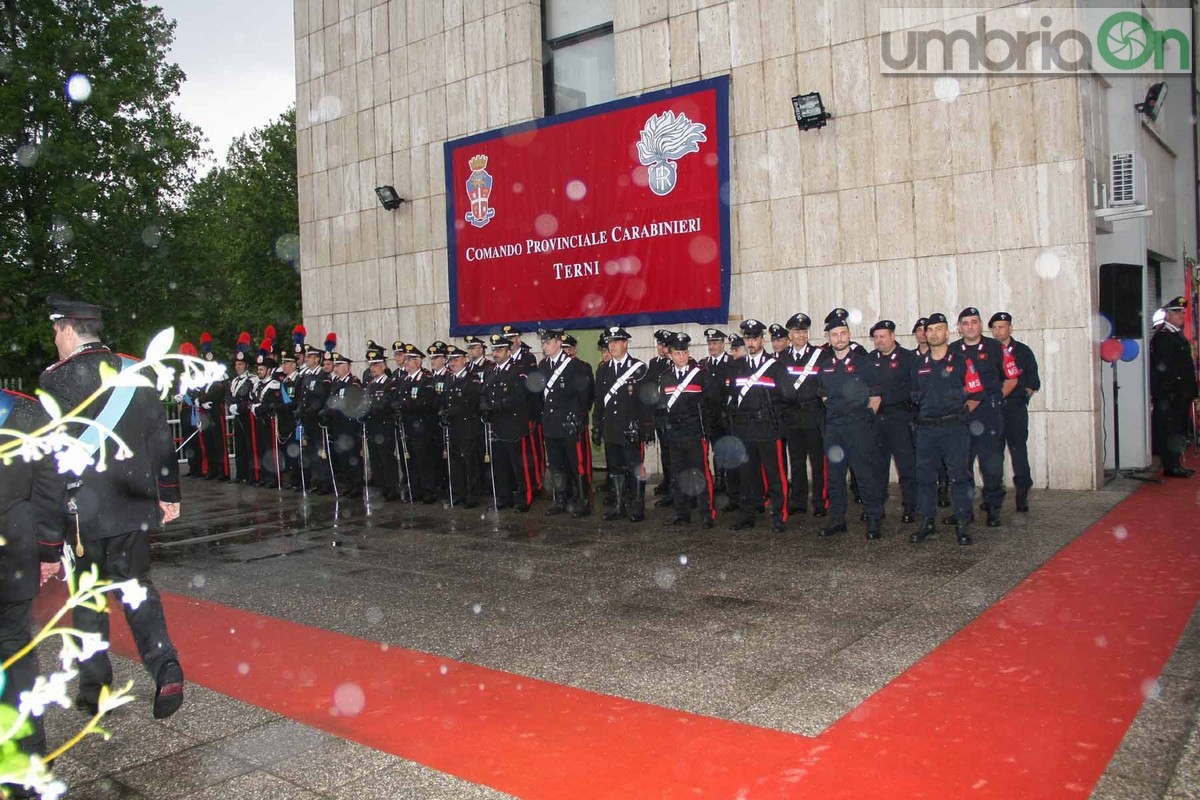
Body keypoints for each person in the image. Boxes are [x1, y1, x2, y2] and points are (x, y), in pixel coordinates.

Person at [40, 295, 185, 719]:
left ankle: (96, 690)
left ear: (68, 330)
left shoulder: (54, 382)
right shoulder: (134, 371)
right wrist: (168, 493)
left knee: (88, 601)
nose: (54, 340)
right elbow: (161, 436)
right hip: (133, 508)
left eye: (55, 332)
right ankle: (167, 669)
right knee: (138, 590)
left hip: (81, 514)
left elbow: (49, 458)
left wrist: (46, 528)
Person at [0, 388, 66, 778]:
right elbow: (48, 483)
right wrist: (46, 548)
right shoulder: (23, 412)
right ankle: (29, 750)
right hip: (14, 545)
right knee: (14, 646)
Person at [908, 313, 983, 546]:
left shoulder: (962, 361)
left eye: (938, 329)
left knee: (958, 477)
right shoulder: (919, 364)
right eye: (929, 330)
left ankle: (962, 524)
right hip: (927, 431)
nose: (933, 333)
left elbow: (976, 393)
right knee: (925, 478)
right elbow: (913, 397)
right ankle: (928, 522)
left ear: (947, 332)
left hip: (953, 429)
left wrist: (962, 414)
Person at [814, 309, 884, 539]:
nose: (839, 338)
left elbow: (875, 397)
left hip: (858, 427)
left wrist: (864, 418)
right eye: (834, 335)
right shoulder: (824, 366)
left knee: (864, 475)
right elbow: (824, 396)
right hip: (834, 427)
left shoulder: (864, 363)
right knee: (834, 476)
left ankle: (873, 519)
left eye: (843, 333)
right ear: (829, 338)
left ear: (849, 334)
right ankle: (837, 519)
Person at [951, 307, 1019, 527]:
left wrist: (996, 399)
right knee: (962, 465)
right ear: (959, 327)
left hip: (988, 413)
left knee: (991, 465)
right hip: (962, 415)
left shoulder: (996, 348)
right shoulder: (952, 350)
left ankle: (993, 508)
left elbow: (1012, 378)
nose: (970, 326)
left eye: (974, 322)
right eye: (965, 323)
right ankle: (965, 510)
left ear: (980, 324)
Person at [725, 319, 788, 532]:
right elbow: (732, 398)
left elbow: (786, 396)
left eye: (755, 338)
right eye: (748, 338)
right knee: (746, 475)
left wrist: (776, 420)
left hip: (767, 427)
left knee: (774, 474)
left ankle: (779, 515)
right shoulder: (737, 367)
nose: (751, 342)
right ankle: (747, 514)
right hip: (744, 428)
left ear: (763, 339)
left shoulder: (775, 366)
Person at [657, 333, 719, 528]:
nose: (682, 357)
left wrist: (706, 428)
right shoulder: (665, 377)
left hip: (695, 433)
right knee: (677, 475)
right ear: (670, 355)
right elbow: (661, 406)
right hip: (675, 434)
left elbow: (712, 402)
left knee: (701, 474)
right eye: (677, 353)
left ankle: (706, 513)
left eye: (684, 352)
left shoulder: (700, 374)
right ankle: (681, 512)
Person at [592, 327, 654, 522]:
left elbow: (647, 400)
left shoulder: (639, 368)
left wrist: (647, 427)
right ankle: (619, 505)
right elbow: (599, 401)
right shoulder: (603, 370)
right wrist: (597, 425)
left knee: (635, 468)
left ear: (625, 343)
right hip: (612, 428)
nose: (612, 346)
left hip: (631, 428)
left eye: (616, 342)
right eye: (610, 342)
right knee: (615, 469)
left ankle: (636, 507)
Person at [537, 329, 593, 517]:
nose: (544, 346)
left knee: (576, 464)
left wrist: (578, 417)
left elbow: (583, 395)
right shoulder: (543, 366)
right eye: (543, 343)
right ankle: (560, 499)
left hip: (568, 424)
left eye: (548, 342)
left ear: (558, 342)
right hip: (551, 424)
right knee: (556, 464)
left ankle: (583, 500)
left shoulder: (574, 365)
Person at [988, 312, 1041, 508]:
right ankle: (995, 493)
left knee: (1018, 450)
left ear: (1010, 328)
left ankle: (1022, 492)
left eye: (1002, 326)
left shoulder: (1023, 351)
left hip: (1014, 408)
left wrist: (1024, 397)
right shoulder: (988, 351)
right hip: (993, 410)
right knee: (994, 453)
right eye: (994, 327)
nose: (998, 330)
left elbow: (1033, 381)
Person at [777, 312, 826, 517]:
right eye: (797, 331)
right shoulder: (782, 358)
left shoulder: (820, 355)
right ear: (790, 334)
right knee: (796, 461)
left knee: (818, 463)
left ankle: (820, 501)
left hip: (813, 415)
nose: (801, 335)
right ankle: (798, 501)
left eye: (804, 331)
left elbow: (824, 384)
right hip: (792, 417)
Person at [869, 320, 918, 524]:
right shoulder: (870, 359)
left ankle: (910, 507)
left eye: (883, 336)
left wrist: (884, 398)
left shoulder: (908, 358)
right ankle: (877, 506)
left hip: (900, 417)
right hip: (876, 420)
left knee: (906, 465)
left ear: (893, 336)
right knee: (877, 466)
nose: (879, 341)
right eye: (876, 337)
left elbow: (913, 388)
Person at [480, 334, 533, 511]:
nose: (495, 354)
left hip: (513, 424)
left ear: (508, 352)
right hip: (496, 425)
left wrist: (498, 406)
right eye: (493, 350)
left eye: (499, 350)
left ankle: (523, 498)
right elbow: (483, 392)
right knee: (499, 464)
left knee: (518, 466)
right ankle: (504, 497)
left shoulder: (517, 371)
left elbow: (519, 396)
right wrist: (485, 406)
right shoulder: (490, 371)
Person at [1150, 296, 1198, 478]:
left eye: (1182, 312)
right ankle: (1171, 465)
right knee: (1171, 431)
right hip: (1171, 394)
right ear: (1167, 315)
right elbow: (1164, 368)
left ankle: (1176, 463)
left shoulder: (1176, 335)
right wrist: (1171, 390)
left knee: (1178, 430)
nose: (1181, 316)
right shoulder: (1163, 337)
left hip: (1180, 393)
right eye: (1176, 312)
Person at [442, 346, 482, 507]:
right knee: (456, 463)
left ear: (464, 360)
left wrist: (450, 411)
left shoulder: (471, 379)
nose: (453, 363)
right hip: (453, 428)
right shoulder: (449, 379)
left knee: (469, 463)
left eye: (456, 360)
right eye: (451, 360)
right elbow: (444, 400)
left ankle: (473, 495)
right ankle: (459, 494)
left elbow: (471, 402)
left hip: (467, 427)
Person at [363, 341, 401, 500]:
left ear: (384, 365)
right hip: (372, 427)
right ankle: (382, 487)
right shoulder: (370, 385)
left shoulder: (390, 383)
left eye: (376, 364)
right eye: (371, 365)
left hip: (384, 426)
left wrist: (371, 408)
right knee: (375, 459)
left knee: (387, 459)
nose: (373, 368)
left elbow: (386, 405)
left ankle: (393, 488)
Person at [645, 330, 674, 502]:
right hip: (659, 413)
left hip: (671, 413)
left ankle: (675, 485)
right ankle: (668, 479)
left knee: (673, 451)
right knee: (664, 450)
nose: (661, 348)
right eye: (659, 344)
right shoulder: (654, 363)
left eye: (664, 345)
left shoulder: (674, 363)